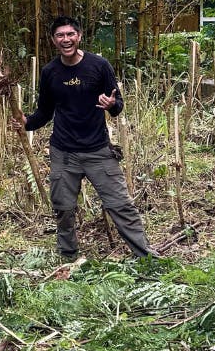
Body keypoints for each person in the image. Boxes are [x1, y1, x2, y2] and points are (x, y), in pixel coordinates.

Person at [13, 16, 155, 261]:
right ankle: (68, 258)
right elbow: (45, 112)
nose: (66, 39)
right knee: (63, 209)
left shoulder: (99, 66)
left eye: (70, 34)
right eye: (60, 35)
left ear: (78, 36)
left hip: (98, 150)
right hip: (63, 152)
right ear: (53, 40)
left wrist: (111, 104)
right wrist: (26, 122)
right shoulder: (50, 72)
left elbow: (118, 104)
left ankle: (146, 257)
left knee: (121, 205)